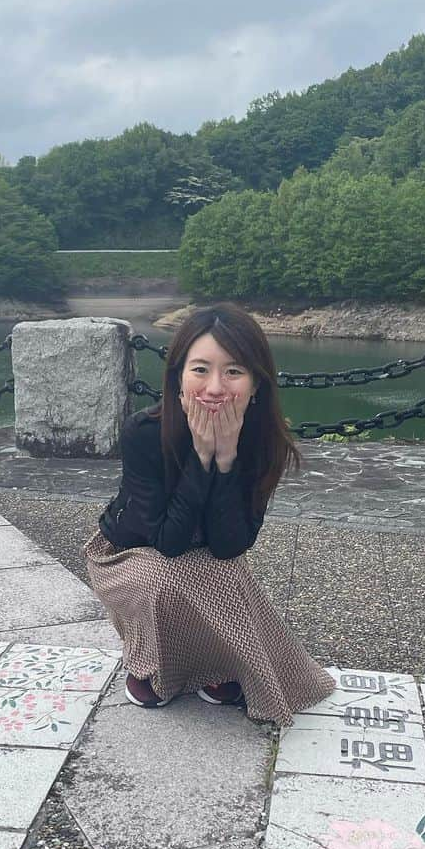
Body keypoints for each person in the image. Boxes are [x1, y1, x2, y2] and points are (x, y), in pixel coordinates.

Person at [83, 302, 336, 725]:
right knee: (166, 576)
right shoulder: (145, 434)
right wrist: (201, 457)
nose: (215, 387)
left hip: (205, 556)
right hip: (127, 556)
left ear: (256, 383)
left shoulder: (263, 440)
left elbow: (230, 544)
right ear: (178, 378)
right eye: (200, 370)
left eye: (233, 372)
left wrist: (227, 458)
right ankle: (151, 665)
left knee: (221, 571)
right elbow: (167, 541)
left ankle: (216, 665)